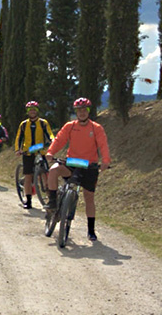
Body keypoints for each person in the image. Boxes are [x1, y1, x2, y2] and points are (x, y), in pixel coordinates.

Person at [44, 97, 110, 241]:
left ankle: (91, 230)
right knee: (54, 170)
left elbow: (103, 145)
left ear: (88, 111)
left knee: (89, 198)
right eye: (78, 110)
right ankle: (53, 201)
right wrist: (50, 152)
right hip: (72, 163)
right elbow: (59, 139)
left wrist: (105, 161)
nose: (81, 113)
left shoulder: (96, 128)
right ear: (75, 112)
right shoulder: (70, 126)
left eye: (84, 110)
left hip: (89, 166)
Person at [14, 101, 54, 209]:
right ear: (27, 112)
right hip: (27, 152)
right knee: (28, 176)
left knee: (45, 174)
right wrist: (18, 150)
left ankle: (51, 199)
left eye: (34, 109)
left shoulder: (43, 123)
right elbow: (19, 137)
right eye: (30, 110)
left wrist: (52, 141)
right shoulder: (23, 124)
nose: (32, 111)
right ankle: (28, 200)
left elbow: (49, 133)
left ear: (37, 111)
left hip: (40, 151)